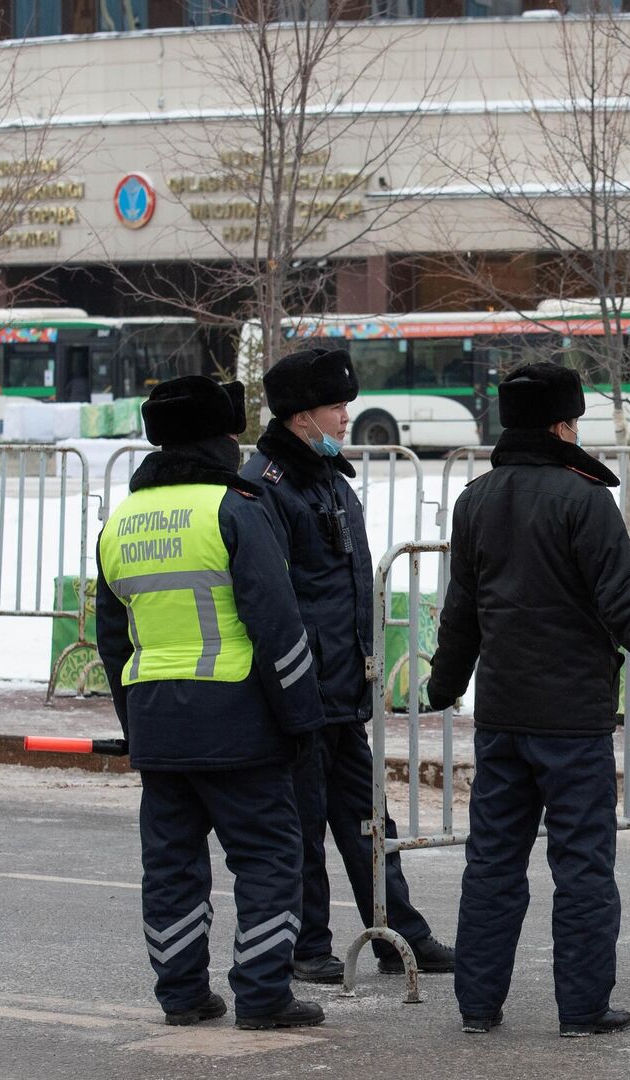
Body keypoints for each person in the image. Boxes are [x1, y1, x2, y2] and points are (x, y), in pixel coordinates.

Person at [423, 362, 630, 1038]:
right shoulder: (583, 499)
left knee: (492, 863)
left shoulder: (475, 498)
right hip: (574, 721)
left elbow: (461, 611)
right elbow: (625, 606)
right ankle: (584, 1008)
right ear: (562, 424)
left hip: (501, 715)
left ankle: (478, 1005)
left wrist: (444, 684)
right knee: (583, 866)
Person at [94, 375, 326, 1031]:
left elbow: (114, 643)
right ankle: (261, 994)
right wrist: (302, 719)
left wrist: (134, 724)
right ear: (219, 438)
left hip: (158, 726)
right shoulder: (234, 509)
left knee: (171, 865)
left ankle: (181, 994)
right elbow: (278, 627)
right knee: (270, 859)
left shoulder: (121, 521)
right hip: (239, 723)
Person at [240, 347, 455, 984]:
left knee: (370, 823)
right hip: (301, 695)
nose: (346, 417)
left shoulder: (328, 477)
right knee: (303, 829)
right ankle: (308, 947)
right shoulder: (266, 485)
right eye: (337, 406)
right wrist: (295, 687)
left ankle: (397, 936)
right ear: (301, 414)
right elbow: (272, 602)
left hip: (343, 691)